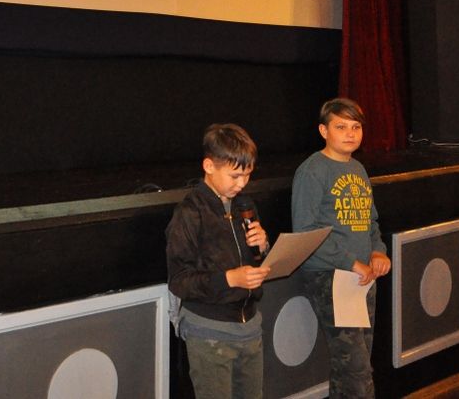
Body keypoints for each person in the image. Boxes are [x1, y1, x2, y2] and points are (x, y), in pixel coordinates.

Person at [291, 98, 391, 398]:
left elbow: (370, 221)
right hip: (331, 277)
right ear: (323, 131)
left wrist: (377, 251)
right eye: (341, 127)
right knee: (356, 370)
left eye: (356, 127)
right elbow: (306, 232)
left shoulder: (358, 168)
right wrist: (350, 262)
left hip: (362, 276)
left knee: (354, 364)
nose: (350, 133)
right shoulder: (312, 171)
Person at [166, 123, 271, 399]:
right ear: (209, 166)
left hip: (249, 326)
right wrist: (229, 278)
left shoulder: (244, 206)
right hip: (209, 330)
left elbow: (254, 262)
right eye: (235, 175)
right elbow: (179, 281)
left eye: (247, 175)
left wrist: (263, 246)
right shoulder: (189, 213)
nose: (242, 184)